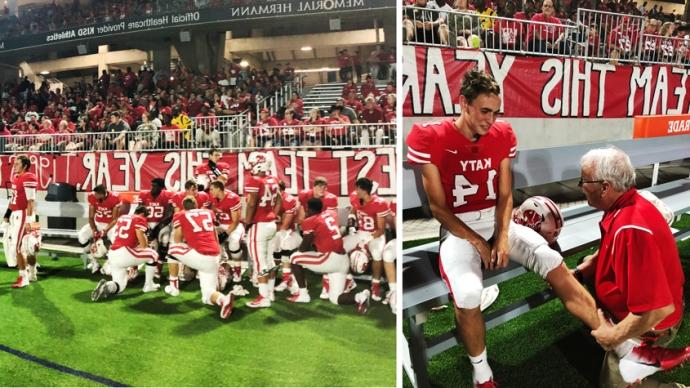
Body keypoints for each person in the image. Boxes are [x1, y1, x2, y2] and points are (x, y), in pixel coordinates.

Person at [405, 69, 603, 387]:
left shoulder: (503, 133)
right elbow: (439, 209)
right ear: (464, 104)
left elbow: (506, 194)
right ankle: (482, 375)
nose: (490, 119)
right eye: (484, 110)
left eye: (496, 111)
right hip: (458, 229)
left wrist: (502, 235)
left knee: (552, 261)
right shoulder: (431, 136)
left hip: (498, 220)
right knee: (469, 293)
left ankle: (615, 340)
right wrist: (481, 243)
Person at [575, 147, 690, 387]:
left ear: (605, 187)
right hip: (654, 307)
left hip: (653, 325)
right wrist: (587, 268)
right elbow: (612, 248)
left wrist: (614, 336)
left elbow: (657, 310)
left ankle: (652, 364)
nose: (580, 186)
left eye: (584, 181)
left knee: (614, 383)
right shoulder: (631, 202)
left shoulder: (631, 230)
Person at [288, 198, 371, 314]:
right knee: (335, 298)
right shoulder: (330, 213)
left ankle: (303, 294)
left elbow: (303, 248)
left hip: (331, 259)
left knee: (294, 258)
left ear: (308, 209)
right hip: (343, 260)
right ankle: (360, 296)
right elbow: (341, 222)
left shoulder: (310, 221)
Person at [167, 197, 234, 319]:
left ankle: (173, 286)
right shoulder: (208, 212)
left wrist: (188, 243)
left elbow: (177, 239)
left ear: (183, 207)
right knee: (207, 296)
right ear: (196, 204)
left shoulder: (180, 214)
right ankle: (223, 300)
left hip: (200, 257)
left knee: (172, 249)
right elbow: (214, 235)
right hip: (214, 256)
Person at [90, 206, 160, 301]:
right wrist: (145, 241)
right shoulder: (139, 219)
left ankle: (106, 286)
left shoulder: (123, 218)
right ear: (143, 214)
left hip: (113, 254)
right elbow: (143, 245)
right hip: (124, 253)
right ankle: (148, 285)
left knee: (119, 286)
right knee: (153, 255)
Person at [345, 178, 393, 303]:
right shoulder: (355, 198)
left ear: (363, 190)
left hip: (374, 234)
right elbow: (352, 211)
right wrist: (351, 227)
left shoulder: (379, 203)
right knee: (341, 247)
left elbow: (381, 229)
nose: (355, 191)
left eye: (357, 189)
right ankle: (349, 279)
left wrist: (366, 240)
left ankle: (375, 285)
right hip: (360, 232)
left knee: (377, 254)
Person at [244, 152, 281, 308]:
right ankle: (270, 292)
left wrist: (247, 222)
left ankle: (263, 297)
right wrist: (274, 214)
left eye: (252, 164)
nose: (250, 167)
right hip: (271, 223)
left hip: (259, 225)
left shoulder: (254, 180)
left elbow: (252, 204)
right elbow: (279, 198)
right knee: (270, 259)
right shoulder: (273, 179)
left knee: (260, 263)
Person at [165, 179, 211, 296]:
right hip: (197, 231)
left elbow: (178, 219)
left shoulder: (203, 197)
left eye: (196, 188)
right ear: (186, 190)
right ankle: (176, 282)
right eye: (193, 189)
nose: (196, 191)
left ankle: (174, 284)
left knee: (173, 252)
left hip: (196, 231)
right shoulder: (178, 198)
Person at [4, 155, 38, 288]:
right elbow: (13, 200)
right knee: (28, 246)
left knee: (20, 247)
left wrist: (29, 220)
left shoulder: (28, 177)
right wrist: (7, 215)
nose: (14, 165)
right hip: (17, 214)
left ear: (24, 165)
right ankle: (33, 273)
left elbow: (31, 201)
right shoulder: (17, 178)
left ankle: (24, 277)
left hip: (25, 214)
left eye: (17, 164)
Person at [78, 184, 122, 274]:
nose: (95, 195)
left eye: (97, 194)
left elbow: (115, 219)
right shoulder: (92, 197)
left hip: (110, 225)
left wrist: (104, 230)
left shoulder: (114, 198)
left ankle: (109, 264)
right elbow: (91, 217)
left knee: (116, 243)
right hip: (98, 223)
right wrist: (94, 230)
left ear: (102, 194)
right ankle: (94, 262)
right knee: (82, 236)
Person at [208, 179, 244, 286]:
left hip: (234, 225)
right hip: (221, 224)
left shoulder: (232, 198)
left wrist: (225, 234)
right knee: (211, 242)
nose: (210, 191)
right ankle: (222, 265)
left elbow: (236, 221)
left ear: (219, 189)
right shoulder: (213, 198)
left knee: (234, 243)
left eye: (212, 189)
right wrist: (216, 225)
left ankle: (237, 270)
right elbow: (212, 212)